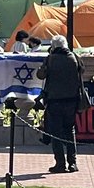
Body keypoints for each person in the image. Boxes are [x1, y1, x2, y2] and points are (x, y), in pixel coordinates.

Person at [36, 34, 84, 173]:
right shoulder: (74, 57)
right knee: (70, 131)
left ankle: (60, 164)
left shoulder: (50, 59)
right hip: (72, 100)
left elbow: (41, 75)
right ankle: (73, 163)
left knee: (56, 133)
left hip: (55, 101)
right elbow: (82, 71)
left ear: (53, 46)